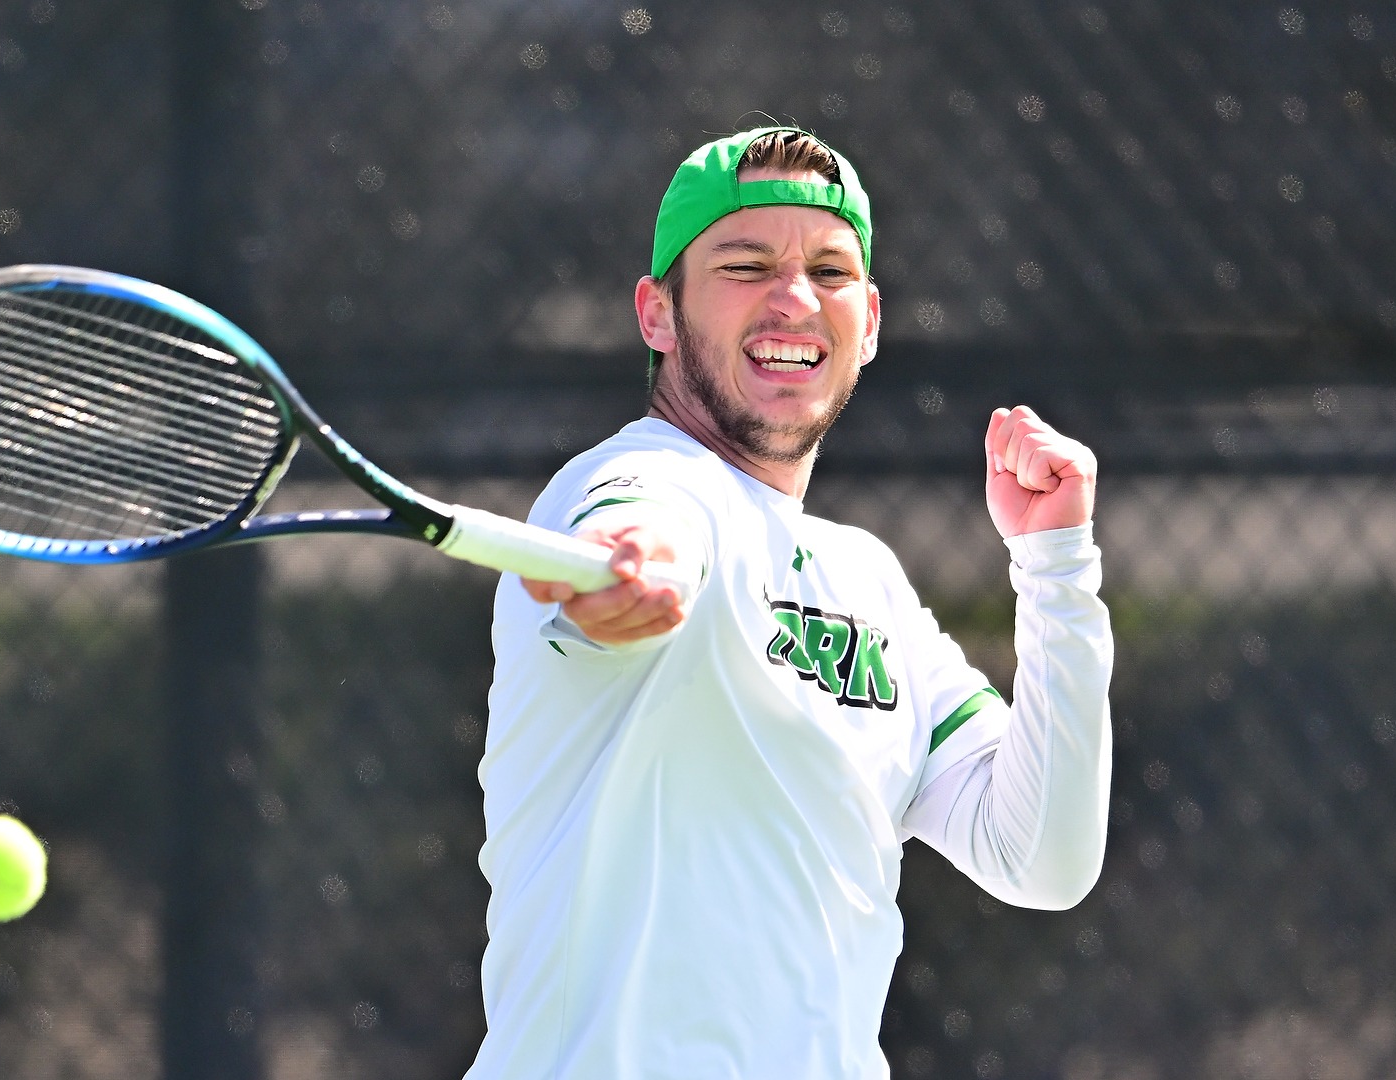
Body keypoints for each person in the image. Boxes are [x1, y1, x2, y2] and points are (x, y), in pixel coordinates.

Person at [468, 127, 1112, 1080]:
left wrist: (1056, 565)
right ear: (656, 314)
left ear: (872, 320)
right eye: (744, 262)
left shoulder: (870, 587)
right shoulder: (630, 481)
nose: (795, 298)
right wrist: (626, 574)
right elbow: (641, 532)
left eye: (829, 268)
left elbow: (1042, 859)